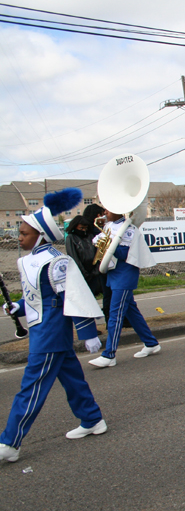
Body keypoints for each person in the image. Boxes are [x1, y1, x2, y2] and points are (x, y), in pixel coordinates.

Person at [0, 188, 107, 463]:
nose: (19, 237)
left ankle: (9, 443)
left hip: (50, 333)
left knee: (31, 387)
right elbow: (34, 296)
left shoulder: (56, 262)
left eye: (24, 234)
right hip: (41, 329)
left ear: (41, 235)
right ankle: (93, 419)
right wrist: (18, 307)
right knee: (71, 378)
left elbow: (74, 297)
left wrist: (87, 333)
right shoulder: (29, 261)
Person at [88, 206, 161, 368]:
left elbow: (123, 253)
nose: (105, 212)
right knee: (130, 311)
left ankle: (109, 354)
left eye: (108, 209)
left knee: (115, 313)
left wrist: (107, 245)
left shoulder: (129, 229)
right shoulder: (108, 226)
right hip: (114, 273)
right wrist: (99, 242)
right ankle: (151, 343)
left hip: (125, 273)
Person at [82, 203, 111, 324]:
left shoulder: (88, 230)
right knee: (107, 294)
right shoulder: (94, 231)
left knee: (106, 294)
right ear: (98, 215)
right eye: (103, 214)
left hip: (96, 268)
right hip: (95, 269)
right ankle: (108, 319)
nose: (105, 216)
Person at [65, 215, 103, 297]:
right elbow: (73, 257)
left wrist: (95, 271)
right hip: (81, 274)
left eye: (85, 228)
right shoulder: (71, 238)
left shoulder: (90, 236)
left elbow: (98, 253)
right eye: (81, 228)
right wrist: (84, 273)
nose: (83, 230)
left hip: (93, 273)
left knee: (92, 296)